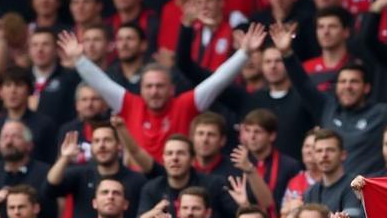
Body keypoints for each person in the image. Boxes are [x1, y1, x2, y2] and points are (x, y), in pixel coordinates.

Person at [61, 24, 263, 158]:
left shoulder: (184, 105)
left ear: (171, 89)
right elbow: (101, 83)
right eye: (149, 86)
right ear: (141, 89)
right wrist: (79, 60)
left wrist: (244, 53)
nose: (154, 92)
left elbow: (217, 81)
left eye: (160, 86)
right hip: (139, 184)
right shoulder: (131, 104)